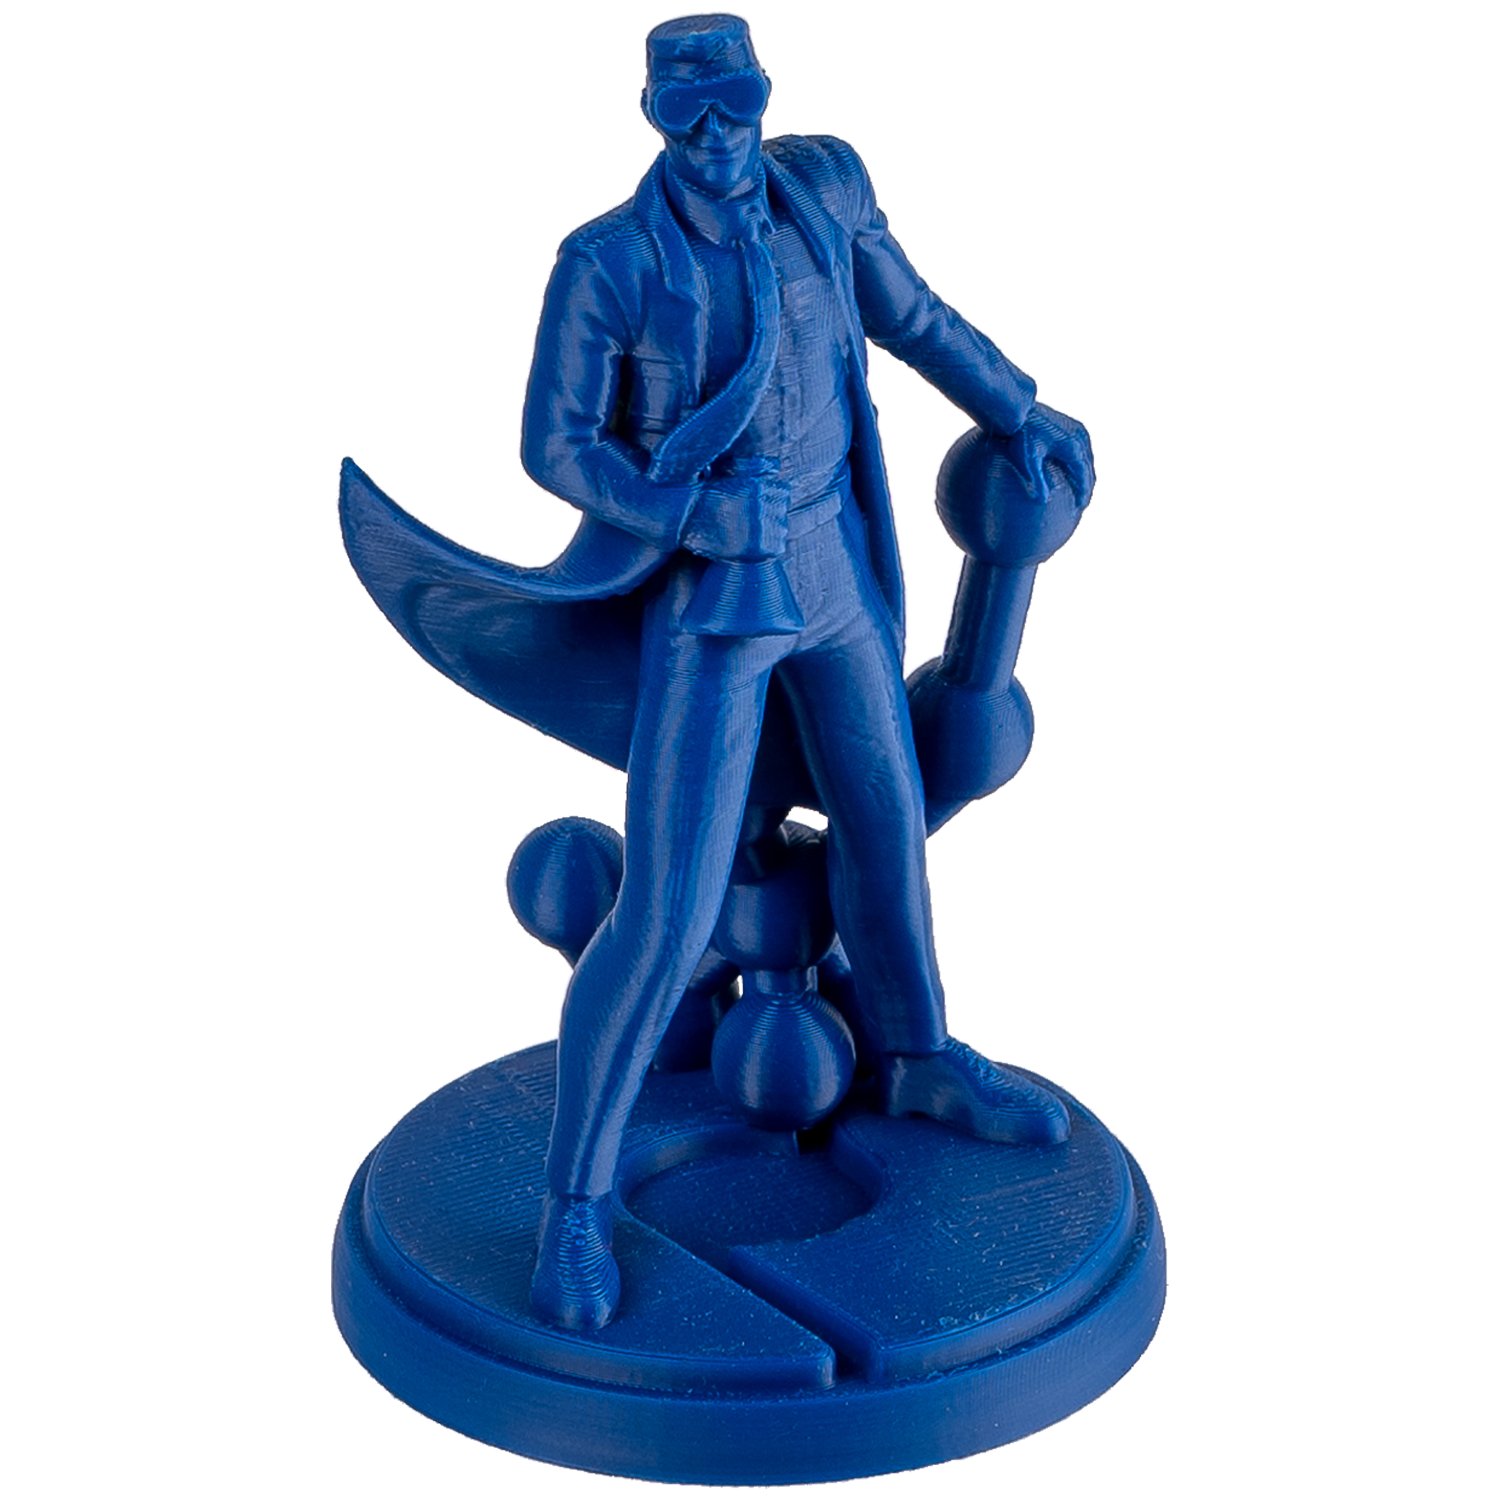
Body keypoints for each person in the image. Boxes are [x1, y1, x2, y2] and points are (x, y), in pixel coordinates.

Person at [520, 14, 1095, 1331]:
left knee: (882, 823)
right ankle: (572, 1207)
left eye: (734, 106)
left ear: (763, 99)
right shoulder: (610, 262)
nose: (718, 136)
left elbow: (913, 314)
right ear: (656, 118)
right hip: (718, 592)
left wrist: (1020, 405)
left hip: (836, 562)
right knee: (667, 907)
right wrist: (691, 514)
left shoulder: (822, 189)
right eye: (689, 115)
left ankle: (917, 1056)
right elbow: (558, 445)